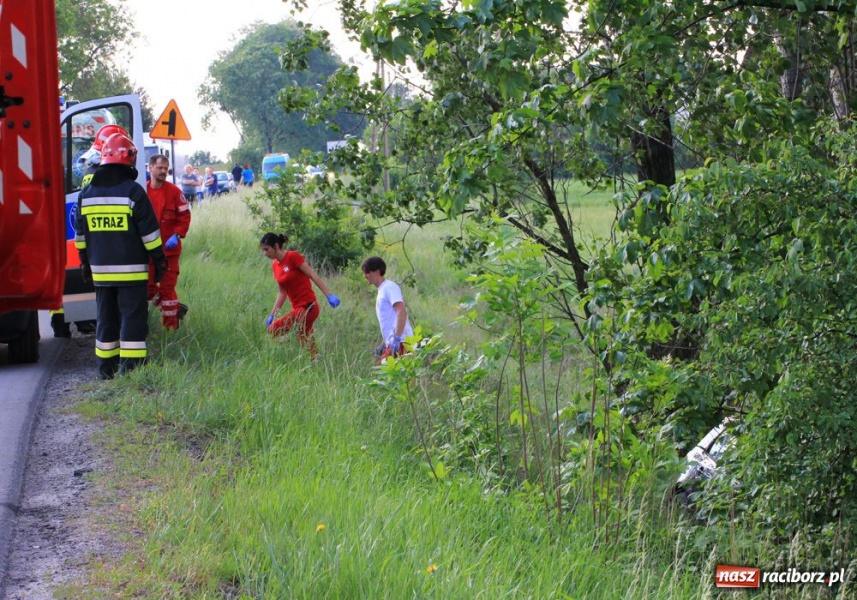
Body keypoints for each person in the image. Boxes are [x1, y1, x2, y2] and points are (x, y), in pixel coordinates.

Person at [74, 133, 167, 380]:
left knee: (105, 320)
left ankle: (106, 371)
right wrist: (159, 260)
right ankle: (132, 371)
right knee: (132, 319)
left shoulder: (86, 194)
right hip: (132, 272)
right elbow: (150, 233)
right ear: (130, 159)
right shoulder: (133, 192)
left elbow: (80, 235)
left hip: (101, 273)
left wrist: (84, 261)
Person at [260, 232, 341, 359]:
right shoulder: (275, 265)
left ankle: (292, 351)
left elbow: (312, 275)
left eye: (266, 249)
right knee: (304, 339)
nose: (265, 253)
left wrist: (329, 295)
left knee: (273, 330)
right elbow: (282, 292)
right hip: (297, 308)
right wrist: (272, 314)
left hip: (309, 307)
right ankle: (315, 361)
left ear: (276, 246)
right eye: (263, 250)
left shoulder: (293, 257)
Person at [147, 154, 192, 330]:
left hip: (169, 251)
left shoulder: (174, 192)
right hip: (149, 251)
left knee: (167, 289)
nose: (163, 171)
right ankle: (175, 309)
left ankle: (171, 328)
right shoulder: (143, 192)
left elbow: (185, 216)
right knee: (147, 288)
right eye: (160, 168)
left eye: (166, 168)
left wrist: (178, 234)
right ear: (150, 168)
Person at [361, 256, 414, 363]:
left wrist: (397, 338)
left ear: (377, 272)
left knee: (398, 377)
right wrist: (386, 343)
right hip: (392, 342)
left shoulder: (389, 287)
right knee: (384, 372)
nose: (365, 276)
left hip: (402, 341)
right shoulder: (382, 290)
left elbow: (401, 311)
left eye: (367, 272)